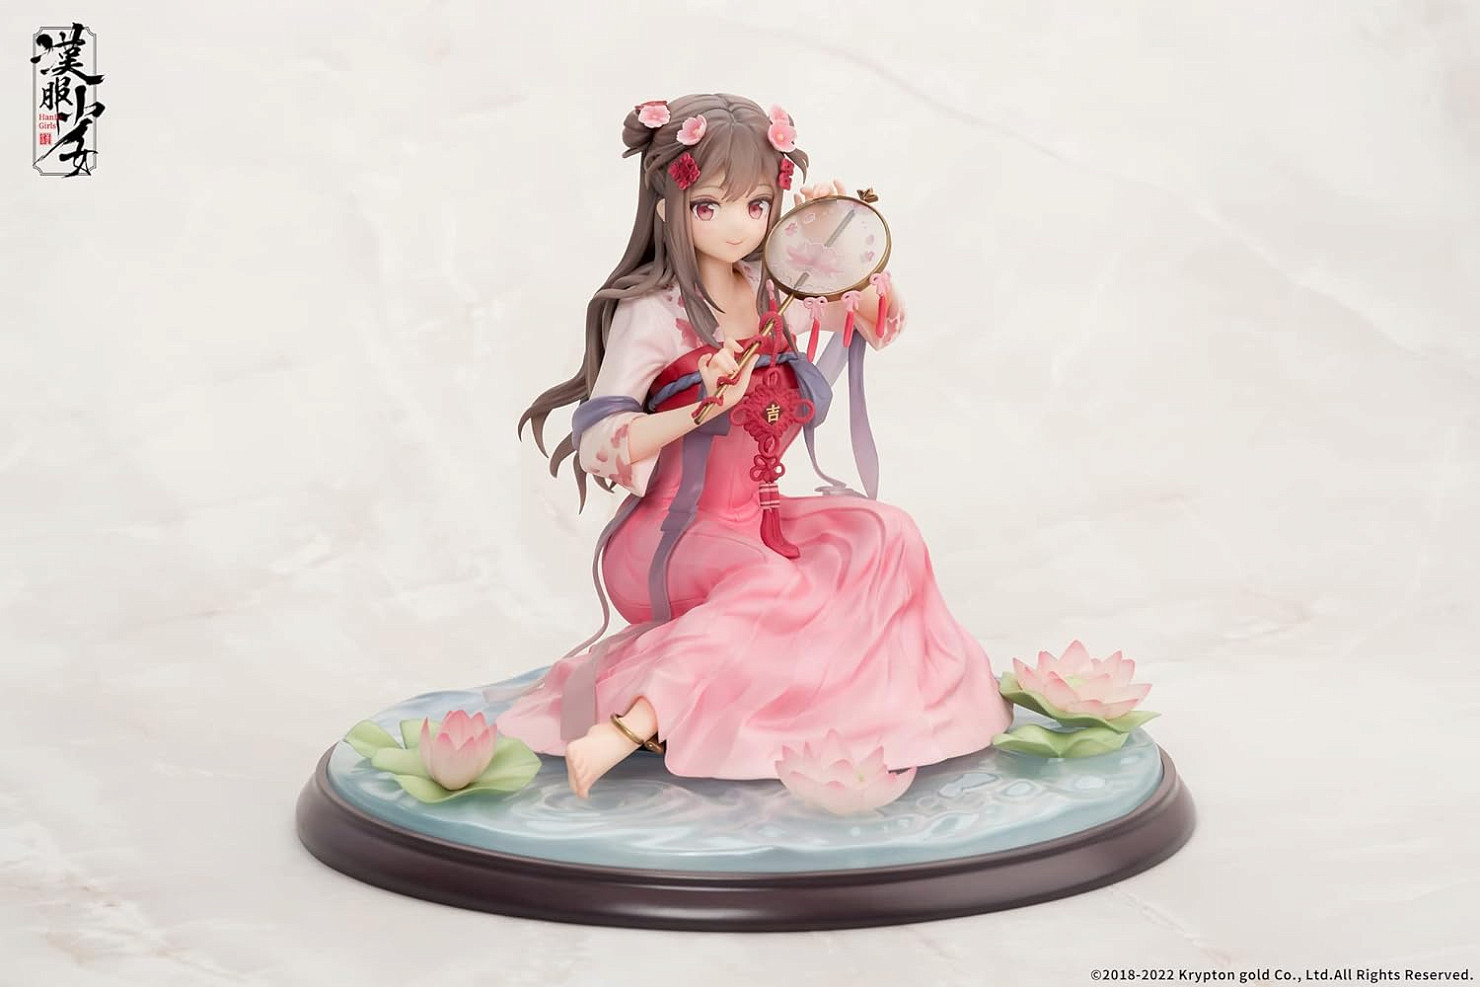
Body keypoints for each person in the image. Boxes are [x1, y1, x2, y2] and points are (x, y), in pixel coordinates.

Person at [499, 93, 1012, 798]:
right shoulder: (653, 312)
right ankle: (630, 724)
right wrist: (699, 408)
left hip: (756, 520)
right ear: (667, 206)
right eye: (709, 205)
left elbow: (877, 320)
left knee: (886, 533)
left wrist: (834, 239)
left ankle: (891, 715)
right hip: (667, 539)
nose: (738, 226)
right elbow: (597, 441)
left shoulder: (773, 288)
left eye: (758, 205)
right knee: (770, 586)